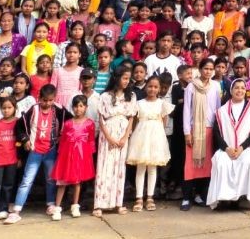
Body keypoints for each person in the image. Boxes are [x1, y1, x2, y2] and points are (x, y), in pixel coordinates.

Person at [4, 84, 70, 224]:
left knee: (50, 179)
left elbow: (70, 122)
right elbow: (19, 127)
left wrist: (62, 137)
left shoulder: (60, 110)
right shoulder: (33, 110)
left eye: (50, 100)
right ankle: (16, 211)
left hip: (51, 150)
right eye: (45, 100)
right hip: (35, 151)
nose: (47, 103)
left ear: (55, 99)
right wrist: (25, 140)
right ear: (39, 98)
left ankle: (50, 204)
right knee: (27, 180)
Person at [207, 77, 250, 210]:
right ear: (231, 91)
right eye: (236, 88)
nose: (240, 90)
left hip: (245, 148)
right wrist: (227, 149)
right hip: (227, 149)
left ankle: (244, 198)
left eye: (243, 88)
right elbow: (217, 133)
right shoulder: (221, 111)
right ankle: (223, 199)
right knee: (220, 161)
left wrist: (242, 148)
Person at [93, 67, 138, 217]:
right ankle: (99, 204)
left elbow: (131, 118)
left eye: (128, 79)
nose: (126, 81)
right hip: (108, 132)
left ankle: (118, 203)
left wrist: (125, 137)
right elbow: (101, 119)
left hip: (123, 132)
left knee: (119, 168)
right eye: (124, 78)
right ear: (117, 78)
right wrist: (109, 137)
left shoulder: (131, 96)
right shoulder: (105, 96)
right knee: (104, 166)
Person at [127, 77, 174, 212]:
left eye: (155, 87)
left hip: (156, 137)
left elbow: (164, 122)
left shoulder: (162, 104)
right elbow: (135, 122)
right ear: (145, 87)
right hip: (141, 137)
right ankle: (138, 197)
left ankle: (150, 197)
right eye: (150, 86)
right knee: (141, 168)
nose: (152, 89)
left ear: (159, 89)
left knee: (152, 168)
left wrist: (157, 134)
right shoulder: (139, 103)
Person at [181, 58, 222, 210]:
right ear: (200, 69)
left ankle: (199, 195)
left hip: (210, 129)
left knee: (205, 165)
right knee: (190, 165)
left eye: (211, 69)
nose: (208, 72)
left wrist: (218, 129)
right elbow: (187, 110)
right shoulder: (191, 86)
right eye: (206, 68)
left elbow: (218, 108)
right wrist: (187, 132)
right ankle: (186, 198)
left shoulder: (215, 85)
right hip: (194, 129)